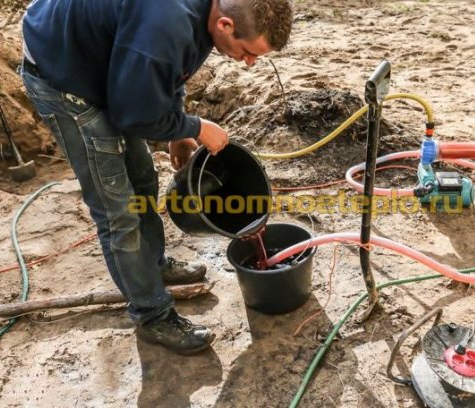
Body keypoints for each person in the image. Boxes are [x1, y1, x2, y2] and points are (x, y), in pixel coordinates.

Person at [19, 0, 293, 355]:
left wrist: (176, 130)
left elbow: (168, 70)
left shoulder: (200, 17)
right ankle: (152, 314)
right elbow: (134, 112)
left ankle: (154, 265)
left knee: (143, 180)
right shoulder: (166, 21)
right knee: (118, 209)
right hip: (63, 72)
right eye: (248, 52)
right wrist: (196, 126)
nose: (250, 62)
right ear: (225, 25)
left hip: (110, 61)